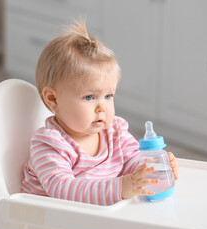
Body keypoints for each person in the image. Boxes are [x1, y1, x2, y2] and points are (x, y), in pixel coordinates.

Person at [21, 20, 179, 206]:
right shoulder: (49, 144)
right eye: (89, 97)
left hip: (95, 221)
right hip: (49, 225)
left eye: (108, 96)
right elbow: (62, 189)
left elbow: (132, 160)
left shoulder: (115, 132)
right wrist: (121, 188)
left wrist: (149, 171)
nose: (102, 107)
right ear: (53, 99)